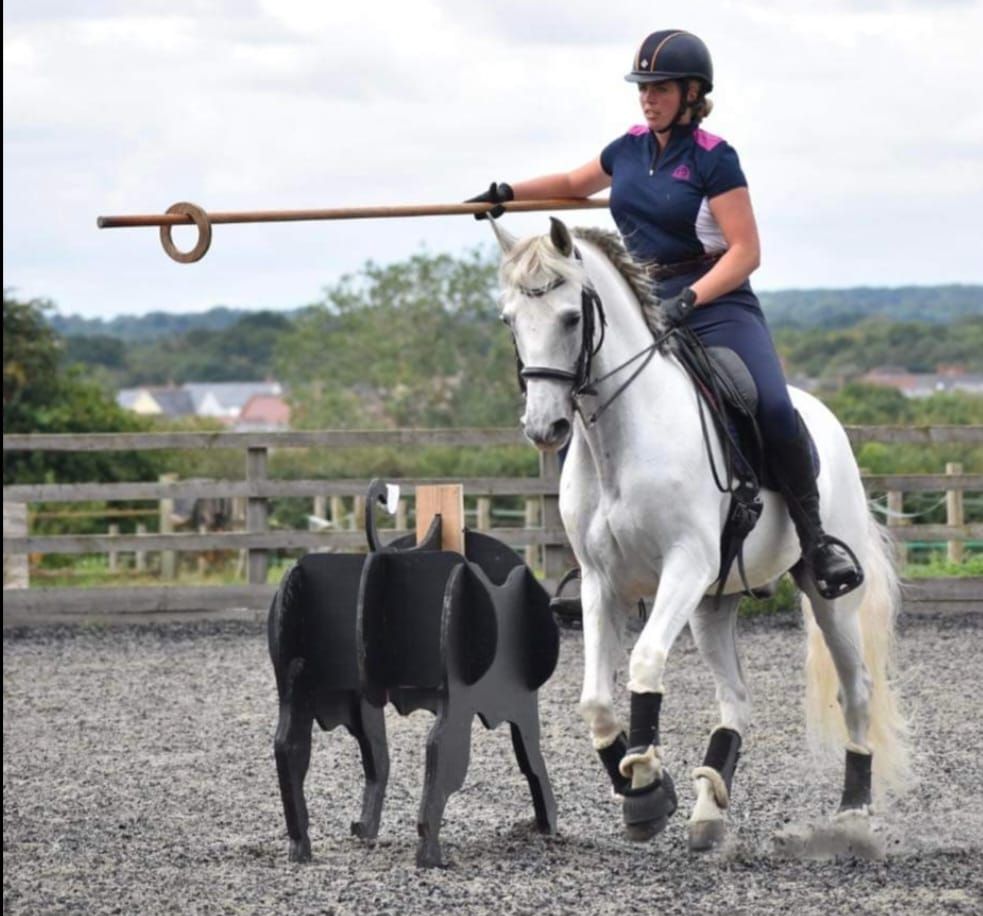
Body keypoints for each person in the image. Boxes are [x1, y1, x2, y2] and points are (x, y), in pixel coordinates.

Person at [469, 29, 863, 600]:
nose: (647, 98)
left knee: (773, 405)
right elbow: (574, 186)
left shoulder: (714, 158)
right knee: (589, 400)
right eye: (643, 88)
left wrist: (692, 298)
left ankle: (816, 538)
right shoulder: (626, 148)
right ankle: (596, 553)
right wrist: (506, 194)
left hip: (717, 301)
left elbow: (746, 252)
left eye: (659, 88)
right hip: (643, 300)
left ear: (691, 93)